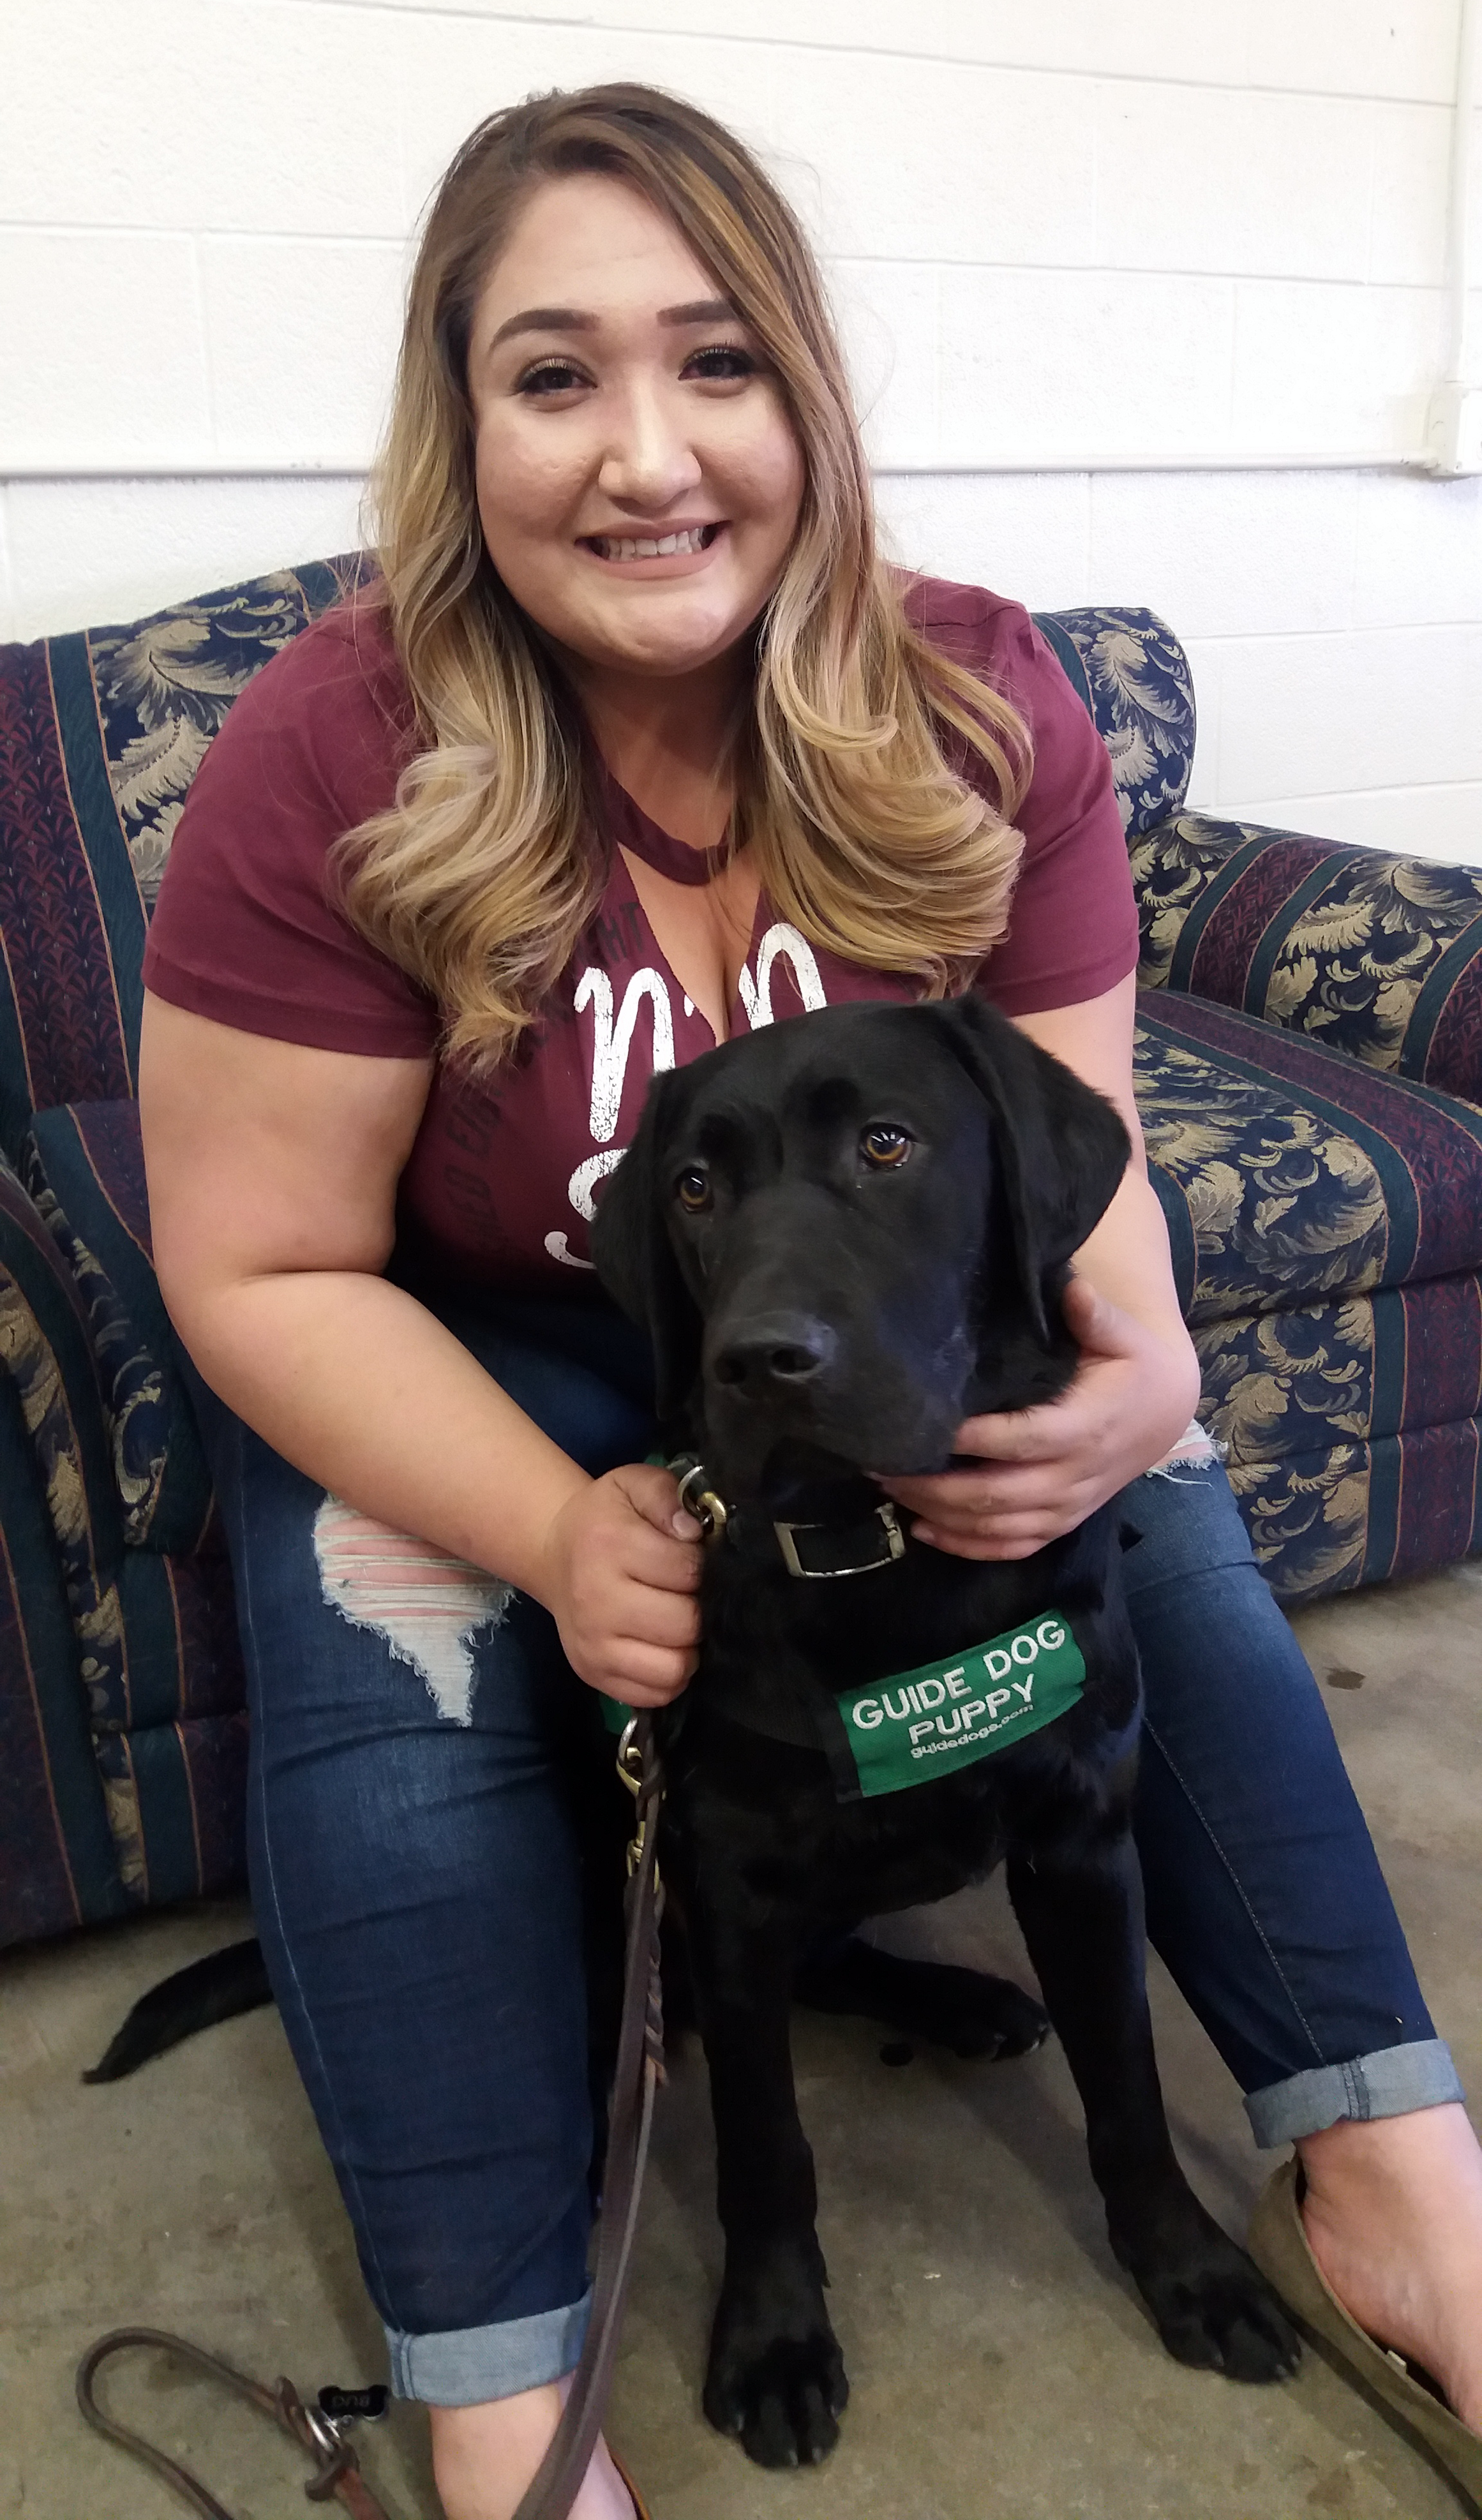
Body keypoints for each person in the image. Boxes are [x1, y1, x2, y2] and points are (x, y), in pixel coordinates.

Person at [138, 84, 1482, 2520]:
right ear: (462, 424)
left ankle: (1400, 2184)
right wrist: (562, 1529)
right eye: (555, 376)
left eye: (720, 360)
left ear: (809, 398)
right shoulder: (336, 748)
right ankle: (505, 2396)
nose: (649, 454)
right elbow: (255, 1260)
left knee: (1153, 1541)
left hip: (854, 1334)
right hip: (470, 1330)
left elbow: (1077, 1179)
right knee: (418, 1661)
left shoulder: (974, 709)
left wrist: (1147, 1378)